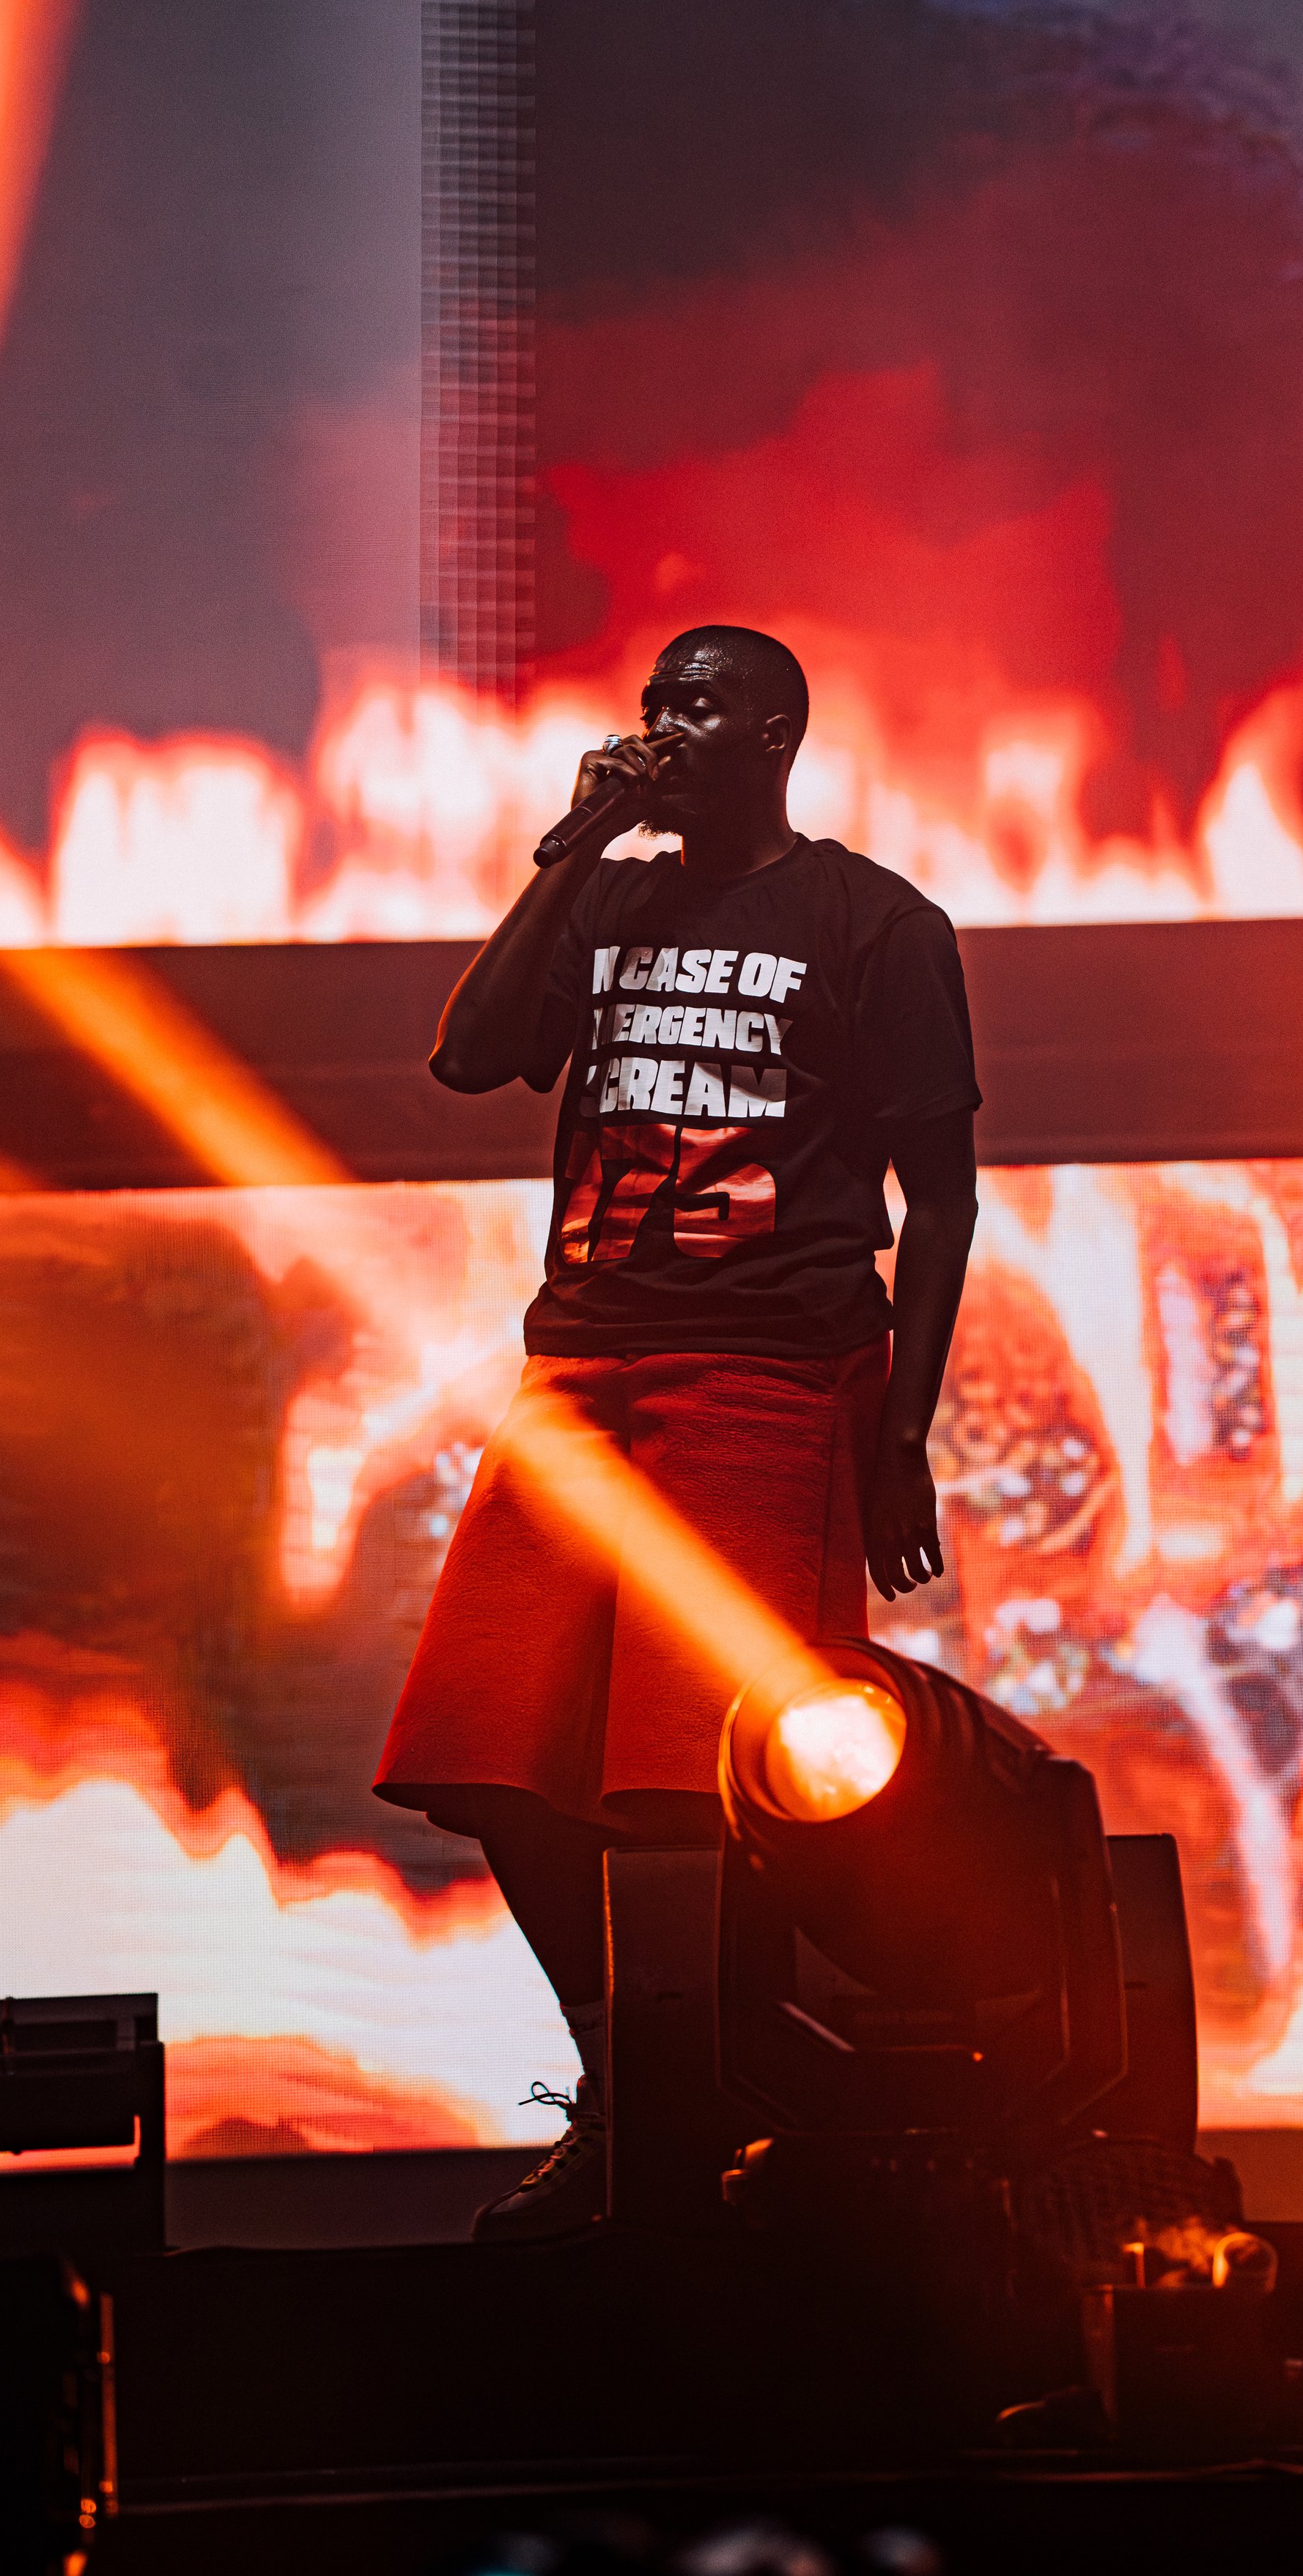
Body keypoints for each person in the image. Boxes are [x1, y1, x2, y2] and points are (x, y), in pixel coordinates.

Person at [374, 623, 981, 2238]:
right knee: (485, 1753)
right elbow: (467, 1056)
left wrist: (901, 1430)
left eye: (698, 704)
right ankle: (636, 2081)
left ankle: (721, 2127)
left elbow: (943, 1199)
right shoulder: (611, 891)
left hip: (770, 1372)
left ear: (775, 728)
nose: (664, 726)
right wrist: (567, 853)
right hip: (579, 1373)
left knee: (693, 1793)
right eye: (653, 702)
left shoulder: (874, 922)